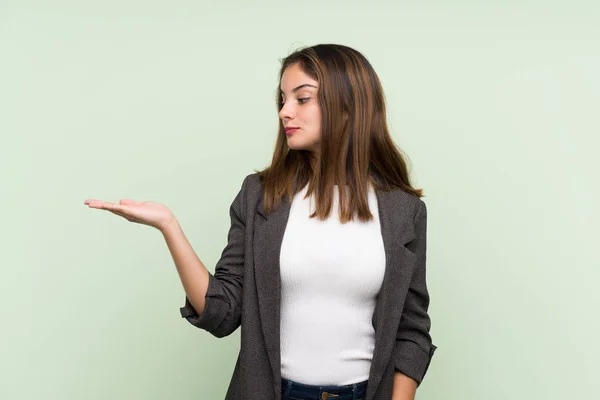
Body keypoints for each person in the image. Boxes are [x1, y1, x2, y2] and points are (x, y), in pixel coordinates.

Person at [84, 43, 437, 400]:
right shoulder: (260, 196)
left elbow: (411, 328)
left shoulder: (402, 210)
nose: (285, 112)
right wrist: (169, 226)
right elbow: (221, 313)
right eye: (282, 100)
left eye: (302, 99)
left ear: (348, 106)